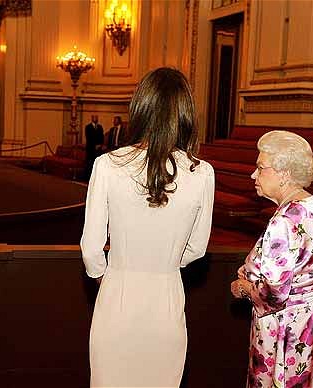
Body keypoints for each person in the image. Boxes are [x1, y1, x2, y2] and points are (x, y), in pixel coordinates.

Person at [80, 67, 215, 387]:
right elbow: (196, 249)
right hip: (166, 300)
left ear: (140, 107)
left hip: (117, 297)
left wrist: (113, 275)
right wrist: (163, 264)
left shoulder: (107, 165)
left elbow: (90, 249)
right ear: (186, 113)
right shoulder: (202, 173)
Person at [230, 130, 313, 388]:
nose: (253, 175)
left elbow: (273, 294)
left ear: (284, 173)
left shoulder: (284, 221)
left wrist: (243, 288)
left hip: (285, 327)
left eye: (260, 167)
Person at [84, 115, 104, 179]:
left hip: (98, 149)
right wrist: (94, 145)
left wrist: (100, 145)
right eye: (94, 118)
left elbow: (102, 136)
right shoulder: (88, 127)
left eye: (96, 118)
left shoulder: (100, 127)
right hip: (90, 148)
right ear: (92, 118)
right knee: (90, 164)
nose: (95, 119)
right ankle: (89, 177)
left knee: (97, 163)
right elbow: (88, 138)